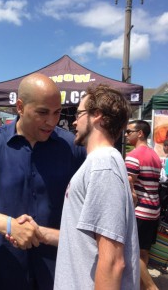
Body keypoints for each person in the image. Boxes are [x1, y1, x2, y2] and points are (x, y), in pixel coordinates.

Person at [0, 73, 86, 290]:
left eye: (57, 113)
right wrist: (8, 225)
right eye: (42, 112)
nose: (52, 121)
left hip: (56, 275)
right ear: (20, 107)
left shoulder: (72, 148)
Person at [54, 85, 140, 290]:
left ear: (97, 115)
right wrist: (39, 232)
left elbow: (112, 263)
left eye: (79, 113)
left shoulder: (103, 164)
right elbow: (81, 240)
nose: (74, 121)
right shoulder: (101, 162)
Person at [125, 120, 161, 290]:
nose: (126, 134)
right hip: (154, 210)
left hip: (140, 211)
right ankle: (140, 285)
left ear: (140, 133)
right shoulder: (155, 155)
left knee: (132, 252)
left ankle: (149, 286)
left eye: (129, 131)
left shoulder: (134, 155)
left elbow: (129, 183)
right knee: (144, 251)